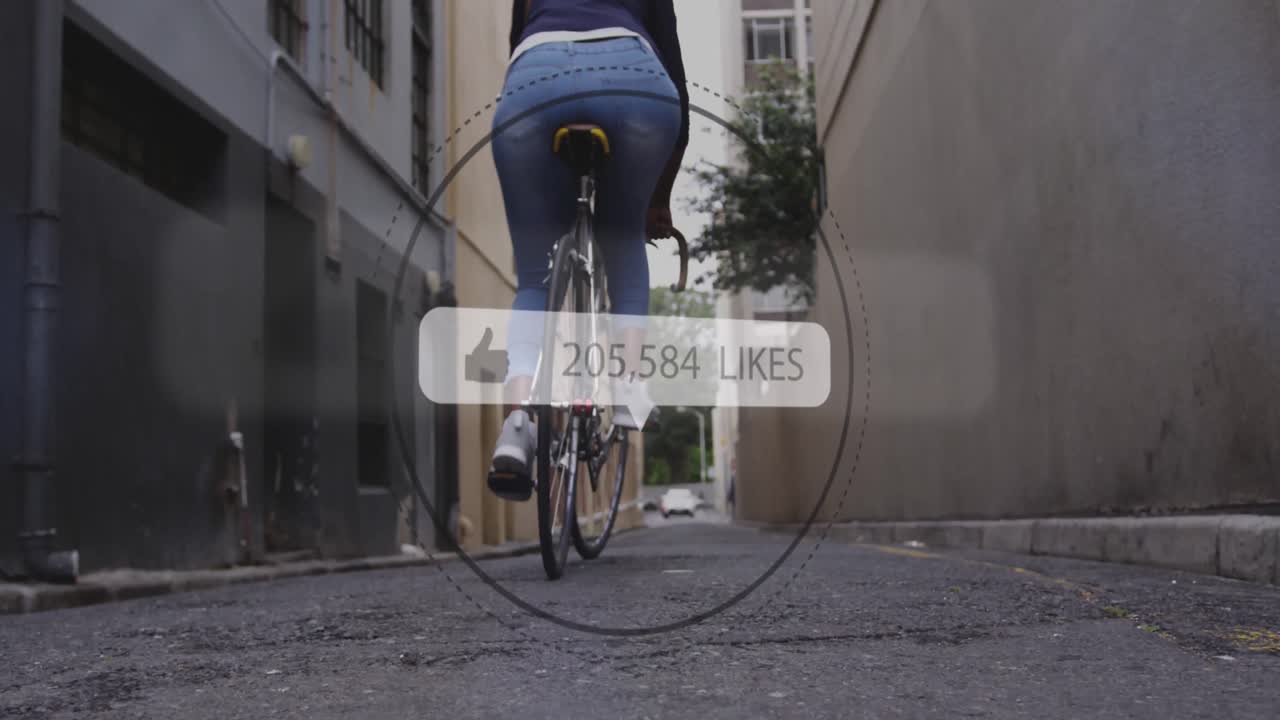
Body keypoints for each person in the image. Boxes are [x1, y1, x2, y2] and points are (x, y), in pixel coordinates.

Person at [486, 0, 690, 501]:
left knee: (535, 278)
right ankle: (626, 383)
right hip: (635, 83)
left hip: (534, 80)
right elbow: (678, 81)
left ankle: (517, 424)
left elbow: (518, 42)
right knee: (622, 236)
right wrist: (658, 200)